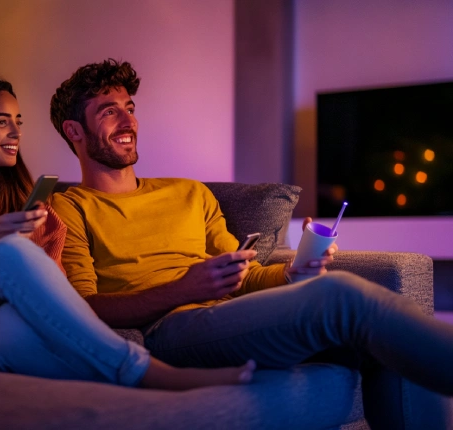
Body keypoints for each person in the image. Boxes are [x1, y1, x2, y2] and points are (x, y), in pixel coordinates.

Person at [48, 59, 453, 426]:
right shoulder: (69, 208)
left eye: (130, 108)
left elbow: (244, 273)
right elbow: (87, 308)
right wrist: (184, 288)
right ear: (74, 131)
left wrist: (294, 272)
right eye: (109, 111)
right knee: (342, 296)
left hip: (232, 313)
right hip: (169, 329)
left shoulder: (190, 193)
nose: (127, 120)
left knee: (377, 339)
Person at [0, 76, 257, 391]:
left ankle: (121, 397)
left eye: (19, 122)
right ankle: (147, 372)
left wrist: (42, 237)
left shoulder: (29, 206)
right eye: (2, 122)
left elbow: (49, 298)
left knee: (4, 338)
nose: (16, 132)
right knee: (6, 255)